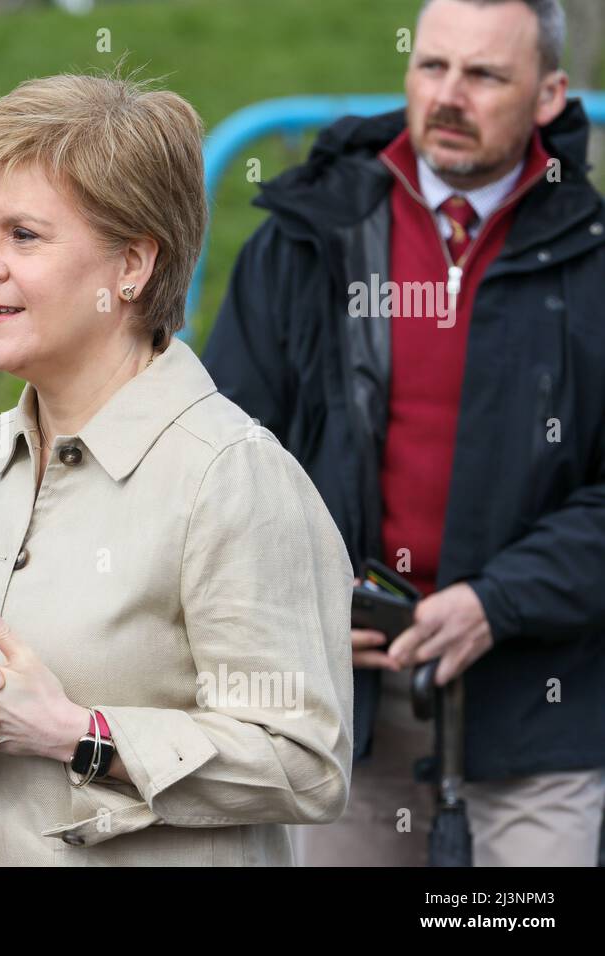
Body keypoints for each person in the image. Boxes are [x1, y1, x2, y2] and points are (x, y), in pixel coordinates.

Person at [0, 72, 354, 866]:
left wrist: (84, 737)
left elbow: (308, 763)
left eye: (24, 236)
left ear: (132, 267)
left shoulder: (233, 477)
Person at [204, 0, 605, 866]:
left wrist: (497, 602)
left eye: (485, 74)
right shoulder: (305, 242)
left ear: (549, 95)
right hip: (339, 703)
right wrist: (295, 599)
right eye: (432, 67)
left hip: (543, 709)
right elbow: (225, 452)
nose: (448, 95)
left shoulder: (596, 258)